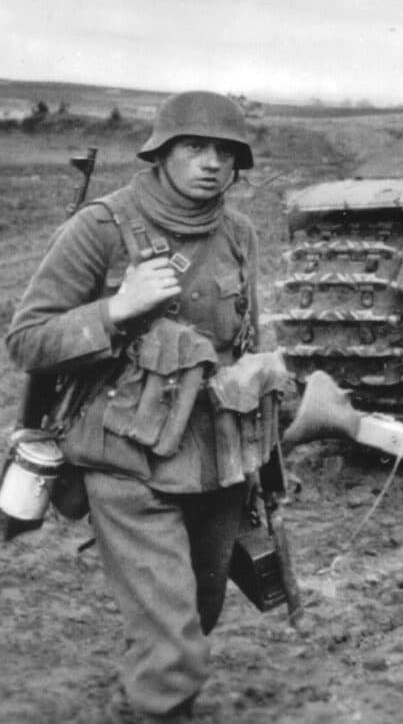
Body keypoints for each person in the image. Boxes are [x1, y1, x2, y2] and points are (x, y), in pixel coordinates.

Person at [6, 91, 273, 724]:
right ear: (161, 153)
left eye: (225, 152)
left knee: (200, 609)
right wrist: (117, 310)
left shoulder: (238, 234)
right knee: (170, 634)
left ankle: (154, 683)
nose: (211, 163)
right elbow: (27, 340)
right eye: (193, 147)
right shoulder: (102, 227)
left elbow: (247, 337)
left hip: (216, 453)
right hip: (125, 456)